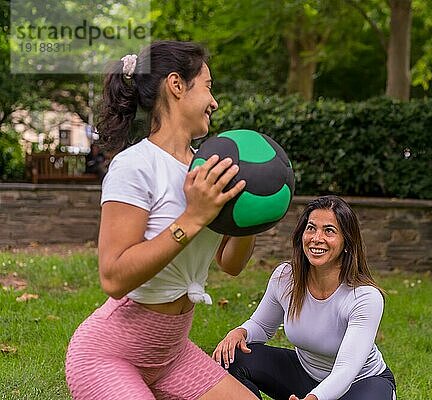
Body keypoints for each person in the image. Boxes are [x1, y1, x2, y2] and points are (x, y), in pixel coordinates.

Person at [65, 41, 259, 400]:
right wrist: (193, 217)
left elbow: (230, 265)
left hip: (172, 354)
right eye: (208, 86)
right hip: (108, 356)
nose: (214, 102)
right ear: (176, 85)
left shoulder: (205, 170)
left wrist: (250, 219)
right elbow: (113, 276)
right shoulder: (135, 165)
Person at [213, 195, 397, 400]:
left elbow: (346, 370)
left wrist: (313, 398)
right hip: (304, 376)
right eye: (311, 228)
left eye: (329, 231)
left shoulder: (364, 297)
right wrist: (240, 333)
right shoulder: (285, 277)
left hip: (360, 383)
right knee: (230, 357)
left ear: (347, 242)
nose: (316, 238)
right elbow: (262, 327)